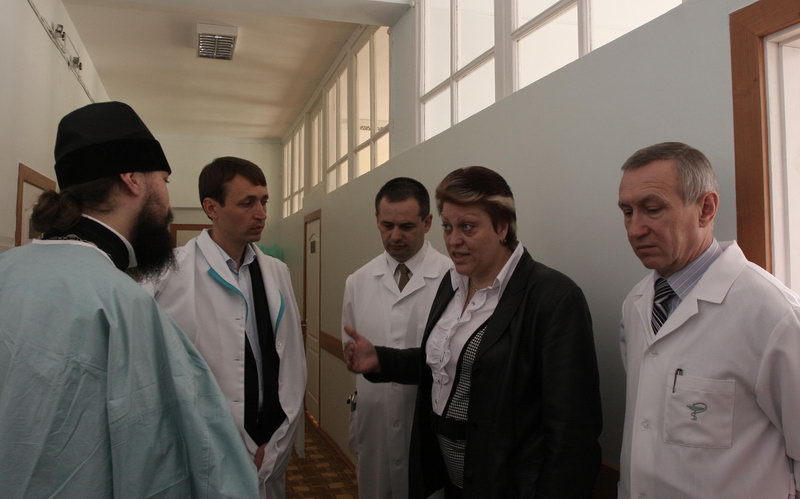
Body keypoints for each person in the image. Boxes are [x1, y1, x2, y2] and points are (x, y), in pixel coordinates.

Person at [0, 101, 258, 497]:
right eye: (164, 181)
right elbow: (168, 464)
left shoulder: (6, 270)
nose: (167, 200)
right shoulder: (123, 303)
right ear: (133, 179)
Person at [344, 166, 602, 499]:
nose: (453, 240)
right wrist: (381, 359)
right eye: (448, 227)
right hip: (454, 483)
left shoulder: (552, 297)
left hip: (509, 486)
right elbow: (444, 365)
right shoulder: (453, 285)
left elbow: (572, 432)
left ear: (502, 226)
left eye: (467, 226)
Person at [617, 142, 800, 498]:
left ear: (706, 209)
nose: (635, 229)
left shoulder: (773, 315)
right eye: (627, 212)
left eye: (652, 210)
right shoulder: (636, 304)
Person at [148, 156, 307, 498]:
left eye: (264, 201)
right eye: (247, 203)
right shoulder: (167, 274)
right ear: (212, 208)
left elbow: (293, 365)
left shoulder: (277, 272)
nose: (261, 213)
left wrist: (278, 442)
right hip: (203, 451)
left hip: (270, 445)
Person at [342, 177, 451, 499]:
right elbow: (352, 351)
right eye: (386, 225)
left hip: (428, 428)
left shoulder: (453, 278)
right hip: (373, 422)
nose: (395, 236)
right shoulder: (358, 281)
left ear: (427, 222)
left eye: (406, 226)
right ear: (377, 220)